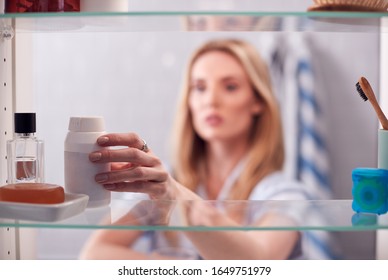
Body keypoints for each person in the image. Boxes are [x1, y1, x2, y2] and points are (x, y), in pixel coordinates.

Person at [80, 38, 324, 260]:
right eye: (199, 87)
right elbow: (94, 255)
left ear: (258, 101)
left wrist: (174, 194)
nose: (210, 100)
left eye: (230, 87)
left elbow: (258, 262)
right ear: (189, 101)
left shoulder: (284, 194)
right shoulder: (157, 179)